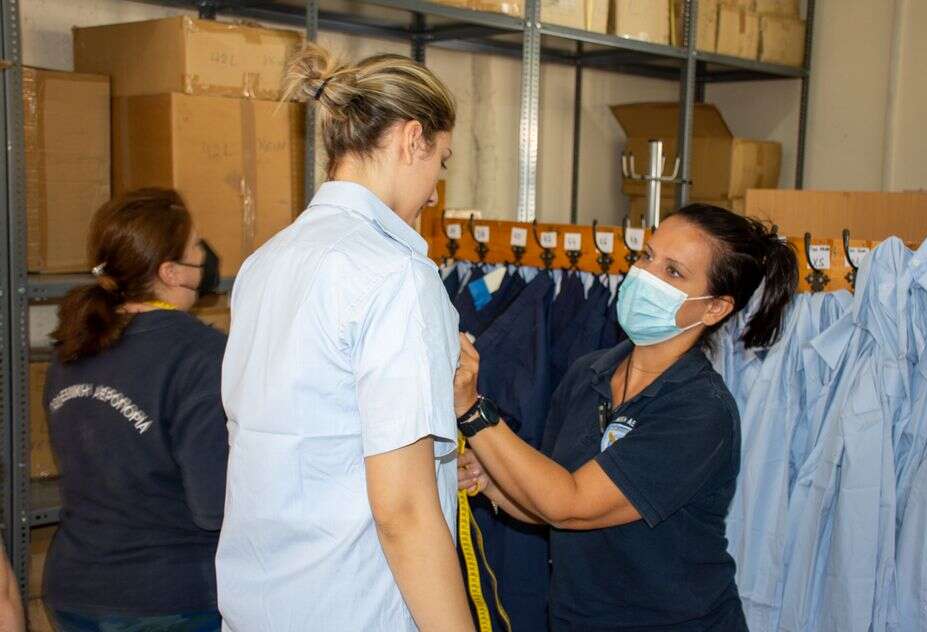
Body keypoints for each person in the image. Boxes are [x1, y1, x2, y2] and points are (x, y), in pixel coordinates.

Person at [215, 45, 473, 631]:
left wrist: (435, 467)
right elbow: (402, 511)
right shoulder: (395, 275)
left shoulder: (264, 263)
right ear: (412, 139)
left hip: (263, 606)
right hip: (353, 607)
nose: (436, 191)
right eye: (441, 161)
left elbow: (306, 442)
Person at [454, 205, 799, 631]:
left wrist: (473, 411)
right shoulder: (589, 373)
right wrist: (493, 481)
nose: (646, 275)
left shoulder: (699, 411)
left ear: (715, 308)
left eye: (673, 272)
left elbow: (569, 503)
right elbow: (548, 501)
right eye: (647, 255)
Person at [43, 188, 227, 631]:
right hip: (166, 601)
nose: (205, 255)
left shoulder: (72, 345)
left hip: (74, 590)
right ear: (170, 271)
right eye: (196, 245)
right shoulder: (200, 354)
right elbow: (214, 505)